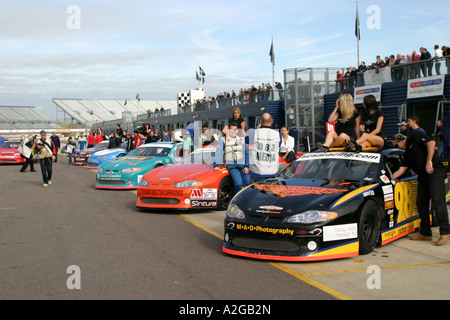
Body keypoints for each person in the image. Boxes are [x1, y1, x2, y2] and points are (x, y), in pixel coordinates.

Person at [392, 117, 450, 246]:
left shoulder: (415, 136)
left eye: (397, 144)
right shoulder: (406, 154)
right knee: (421, 202)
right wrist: (390, 179)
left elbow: (431, 143)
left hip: (435, 171)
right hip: (423, 175)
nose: (398, 147)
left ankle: (445, 232)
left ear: (400, 140)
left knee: (437, 201)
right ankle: (425, 232)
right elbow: (401, 170)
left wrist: (429, 161)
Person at [214, 122, 250, 195]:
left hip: (241, 164)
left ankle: (247, 200)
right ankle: (236, 200)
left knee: (247, 183)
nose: (233, 131)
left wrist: (247, 166)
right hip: (231, 165)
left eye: (235, 129)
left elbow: (247, 153)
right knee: (238, 183)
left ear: (237, 130)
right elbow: (218, 152)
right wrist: (216, 165)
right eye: (231, 129)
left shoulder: (241, 139)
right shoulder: (223, 140)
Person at [247, 113, 280, 183]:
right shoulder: (278, 134)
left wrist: (257, 128)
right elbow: (279, 144)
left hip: (257, 171)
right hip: (272, 171)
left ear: (261, 121)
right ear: (272, 121)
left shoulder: (254, 132)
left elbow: (246, 140)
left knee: (254, 193)